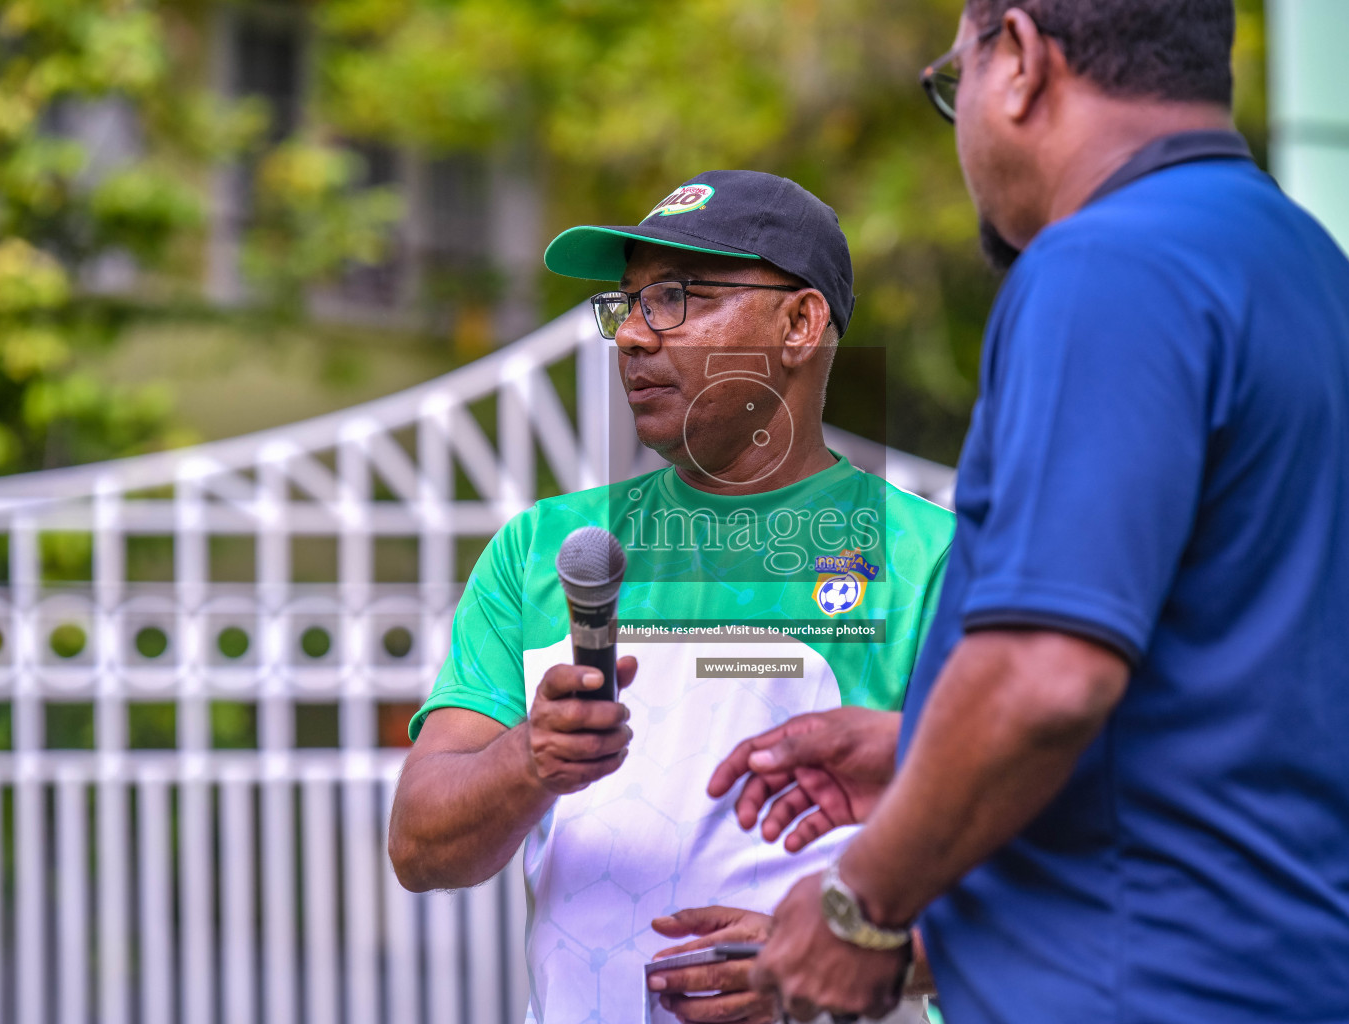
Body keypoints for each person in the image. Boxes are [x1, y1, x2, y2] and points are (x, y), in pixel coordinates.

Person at [725, 2, 1349, 1022]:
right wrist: (919, 745)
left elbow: (1046, 678)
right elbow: (1251, 701)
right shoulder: (1317, 279)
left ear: (1019, 59)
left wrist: (861, 902)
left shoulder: (1107, 266)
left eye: (954, 82)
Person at [387, 169, 953, 1024]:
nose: (633, 338)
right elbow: (420, 846)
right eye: (627, 305)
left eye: (678, 298)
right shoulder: (546, 550)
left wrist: (842, 953)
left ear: (800, 323)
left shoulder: (930, 561)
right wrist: (530, 758)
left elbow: (1045, 862)